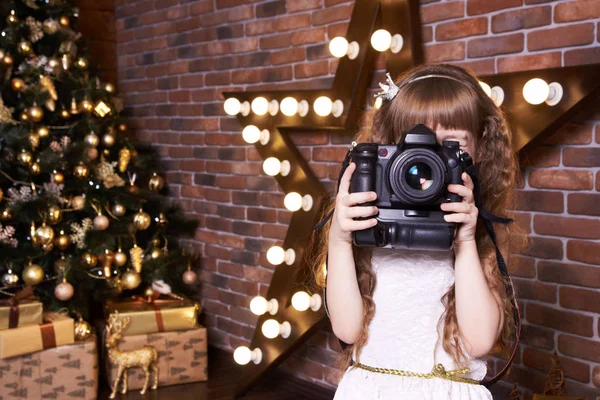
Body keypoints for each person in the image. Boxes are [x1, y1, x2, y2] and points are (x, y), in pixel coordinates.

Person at [313, 64, 525, 399]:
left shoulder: (481, 238)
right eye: (417, 146)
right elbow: (347, 329)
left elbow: (479, 340)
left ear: (480, 147)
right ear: (391, 149)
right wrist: (339, 239)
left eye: (451, 144)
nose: (429, 162)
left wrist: (466, 241)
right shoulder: (370, 227)